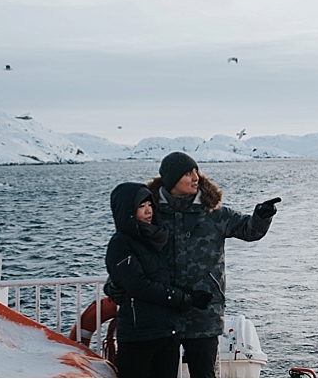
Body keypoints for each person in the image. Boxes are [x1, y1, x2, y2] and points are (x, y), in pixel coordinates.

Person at [147, 152, 280, 378]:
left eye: (195, 171)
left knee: (205, 374)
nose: (195, 176)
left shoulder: (213, 213)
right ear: (171, 180)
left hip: (204, 312)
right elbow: (131, 247)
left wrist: (261, 216)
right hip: (163, 310)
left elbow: (249, 230)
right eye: (187, 173)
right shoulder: (152, 213)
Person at [105, 182, 212, 378]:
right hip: (139, 337)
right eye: (140, 206)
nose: (148, 211)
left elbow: (162, 277)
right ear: (126, 210)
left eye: (149, 204)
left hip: (166, 333)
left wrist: (191, 296)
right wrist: (182, 298)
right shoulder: (121, 243)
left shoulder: (156, 237)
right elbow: (137, 285)